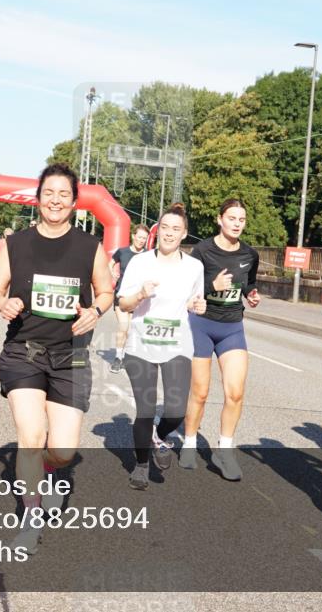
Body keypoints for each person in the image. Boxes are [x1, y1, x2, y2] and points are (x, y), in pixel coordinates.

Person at [0, 164, 114, 554]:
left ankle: (52, 469)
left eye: (63, 195)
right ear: (38, 198)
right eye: (49, 193)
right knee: (31, 437)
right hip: (23, 351)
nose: (55, 201)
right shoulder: (17, 244)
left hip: (70, 355)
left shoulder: (89, 246)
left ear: (75, 203)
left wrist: (96, 311)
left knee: (63, 449)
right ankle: (30, 518)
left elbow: (105, 291)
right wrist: (2, 303)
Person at [117, 205, 205, 490]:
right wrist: (141, 293)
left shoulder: (194, 267)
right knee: (144, 410)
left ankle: (158, 435)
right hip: (140, 345)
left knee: (176, 411)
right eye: (165, 227)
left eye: (175, 229)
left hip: (177, 345)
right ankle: (141, 465)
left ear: (184, 234)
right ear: (158, 230)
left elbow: (196, 302)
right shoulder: (140, 263)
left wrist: (199, 306)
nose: (169, 233)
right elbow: (123, 304)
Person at [180, 198, 260, 481]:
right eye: (232, 218)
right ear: (220, 219)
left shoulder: (250, 254)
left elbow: (248, 283)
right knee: (200, 393)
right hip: (201, 325)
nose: (237, 224)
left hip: (232, 327)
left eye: (241, 219)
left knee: (235, 392)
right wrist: (210, 286)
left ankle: (224, 450)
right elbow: (185, 290)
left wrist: (251, 295)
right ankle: (189, 441)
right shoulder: (202, 251)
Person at [108, 223, 150, 374]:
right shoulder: (122, 252)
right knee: (123, 327)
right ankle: (118, 358)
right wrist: (113, 274)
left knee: (133, 329)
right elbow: (111, 263)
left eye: (144, 239)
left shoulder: (148, 255)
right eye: (139, 237)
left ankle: (126, 355)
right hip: (122, 295)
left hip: (139, 298)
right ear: (133, 236)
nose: (141, 241)